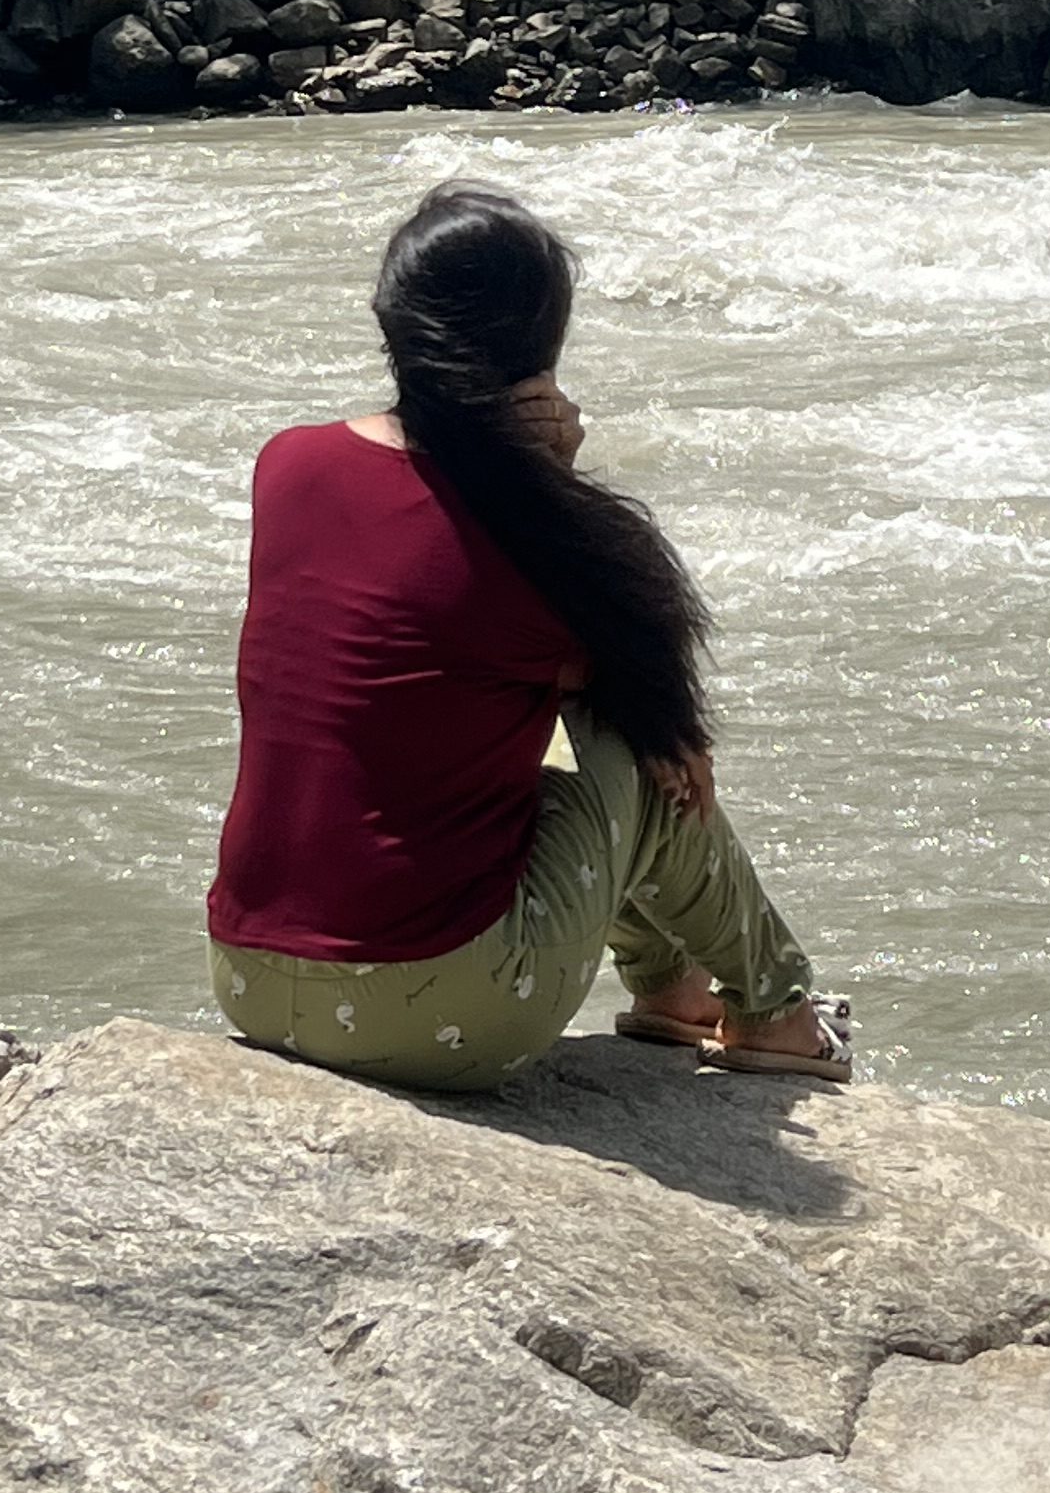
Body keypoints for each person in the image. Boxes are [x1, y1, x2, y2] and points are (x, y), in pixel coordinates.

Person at [206, 179, 850, 1091]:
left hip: (246, 979)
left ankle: (676, 989)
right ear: (543, 347)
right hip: (441, 1015)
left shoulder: (288, 463)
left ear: (395, 324)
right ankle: (773, 1008)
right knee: (625, 744)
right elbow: (633, 693)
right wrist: (554, 471)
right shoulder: (525, 535)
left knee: (531, 734)